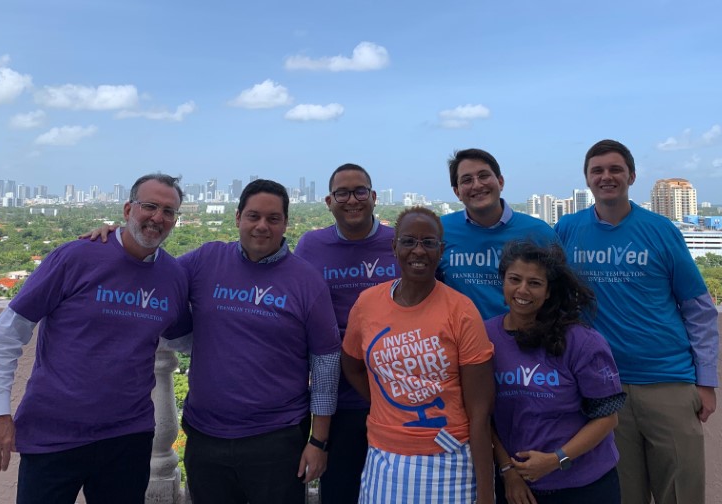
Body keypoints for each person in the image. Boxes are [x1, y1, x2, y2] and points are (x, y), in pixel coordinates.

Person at [0, 173, 191, 504]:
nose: (158, 218)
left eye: (169, 211)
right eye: (149, 206)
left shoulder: (174, 276)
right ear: (127, 209)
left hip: (128, 437)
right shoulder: (76, 257)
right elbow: (5, 334)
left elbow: (186, 340)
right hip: (53, 434)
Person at [554, 139, 719, 504]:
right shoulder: (567, 229)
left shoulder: (660, 230)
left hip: (669, 382)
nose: (606, 177)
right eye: (597, 170)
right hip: (602, 387)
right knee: (622, 493)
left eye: (615, 169)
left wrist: (706, 380)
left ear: (631, 175)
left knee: (681, 491)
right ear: (587, 178)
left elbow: (698, 308)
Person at [178, 178, 342, 504]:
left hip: (277, 440)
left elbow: (326, 362)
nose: (262, 226)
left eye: (273, 218)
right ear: (238, 217)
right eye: (253, 216)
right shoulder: (206, 260)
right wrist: (114, 239)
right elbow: (151, 272)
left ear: (285, 223)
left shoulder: (306, 281)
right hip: (205, 435)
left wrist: (318, 441)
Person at [342, 206, 495, 503]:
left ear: (441, 250)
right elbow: (352, 366)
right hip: (384, 458)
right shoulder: (367, 304)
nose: (418, 251)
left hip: (449, 459)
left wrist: (486, 493)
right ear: (394, 247)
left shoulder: (461, 311)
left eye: (428, 242)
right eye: (409, 241)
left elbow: (479, 412)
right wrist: (389, 403)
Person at [486, 241, 625, 504]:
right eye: (514, 279)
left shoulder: (582, 342)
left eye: (535, 283)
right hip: (516, 487)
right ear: (502, 281)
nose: (522, 290)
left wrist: (555, 460)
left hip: (584, 486)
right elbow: (482, 415)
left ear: (549, 291)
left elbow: (607, 419)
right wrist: (507, 471)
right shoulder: (485, 336)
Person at [293, 163, 397, 504]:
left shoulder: (399, 242)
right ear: (328, 201)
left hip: (396, 393)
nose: (352, 200)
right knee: (340, 490)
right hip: (336, 398)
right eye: (343, 193)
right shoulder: (311, 245)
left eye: (360, 191)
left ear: (373, 197)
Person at [438, 148, 559, 319]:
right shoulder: (440, 231)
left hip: (526, 340)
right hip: (462, 341)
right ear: (457, 192)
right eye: (466, 180)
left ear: (500, 182)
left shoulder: (540, 233)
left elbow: (561, 292)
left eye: (484, 176)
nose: (477, 185)